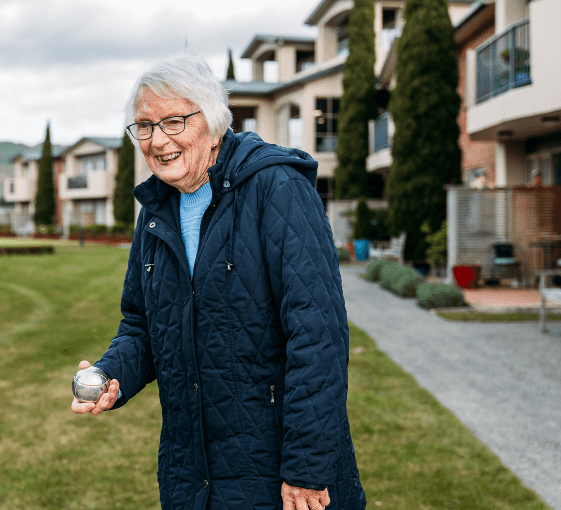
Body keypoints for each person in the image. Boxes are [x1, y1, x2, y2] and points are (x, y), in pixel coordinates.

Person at [71, 53, 365, 510]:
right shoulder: (155, 212)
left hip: (276, 477)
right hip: (191, 476)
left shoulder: (277, 189)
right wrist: (113, 375)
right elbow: (143, 326)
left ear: (212, 123)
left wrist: (306, 469)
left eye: (173, 122)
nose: (157, 140)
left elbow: (318, 336)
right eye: (144, 126)